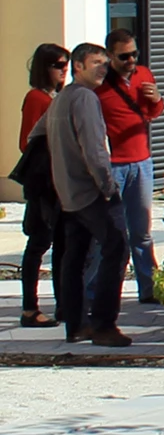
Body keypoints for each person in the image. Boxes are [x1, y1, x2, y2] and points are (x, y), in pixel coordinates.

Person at [45, 44, 127, 346]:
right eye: (96, 63)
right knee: (116, 248)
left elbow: (36, 138)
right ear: (78, 66)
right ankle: (104, 324)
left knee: (74, 258)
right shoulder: (84, 98)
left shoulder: (60, 99)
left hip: (67, 193)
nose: (103, 68)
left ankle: (76, 325)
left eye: (106, 63)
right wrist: (108, 187)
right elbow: (94, 151)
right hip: (91, 191)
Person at [93, 27, 164, 304]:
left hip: (142, 162)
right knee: (109, 233)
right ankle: (96, 293)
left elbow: (152, 114)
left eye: (135, 54)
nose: (131, 61)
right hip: (113, 166)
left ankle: (149, 288)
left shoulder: (144, 75)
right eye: (124, 56)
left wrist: (156, 99)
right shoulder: (100, 84)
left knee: (142, 231)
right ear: (110, 56)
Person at [14, 43, 69, 328]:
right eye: (58, 65)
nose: (64, 70)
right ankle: (29, 308)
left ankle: (63, 305)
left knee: (59, 243)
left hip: (58, 181)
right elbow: (27, 141)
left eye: (66, 64)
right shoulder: (37, 98)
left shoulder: (57, 97)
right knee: (38, 244)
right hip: (43, 183)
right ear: (44, 68)